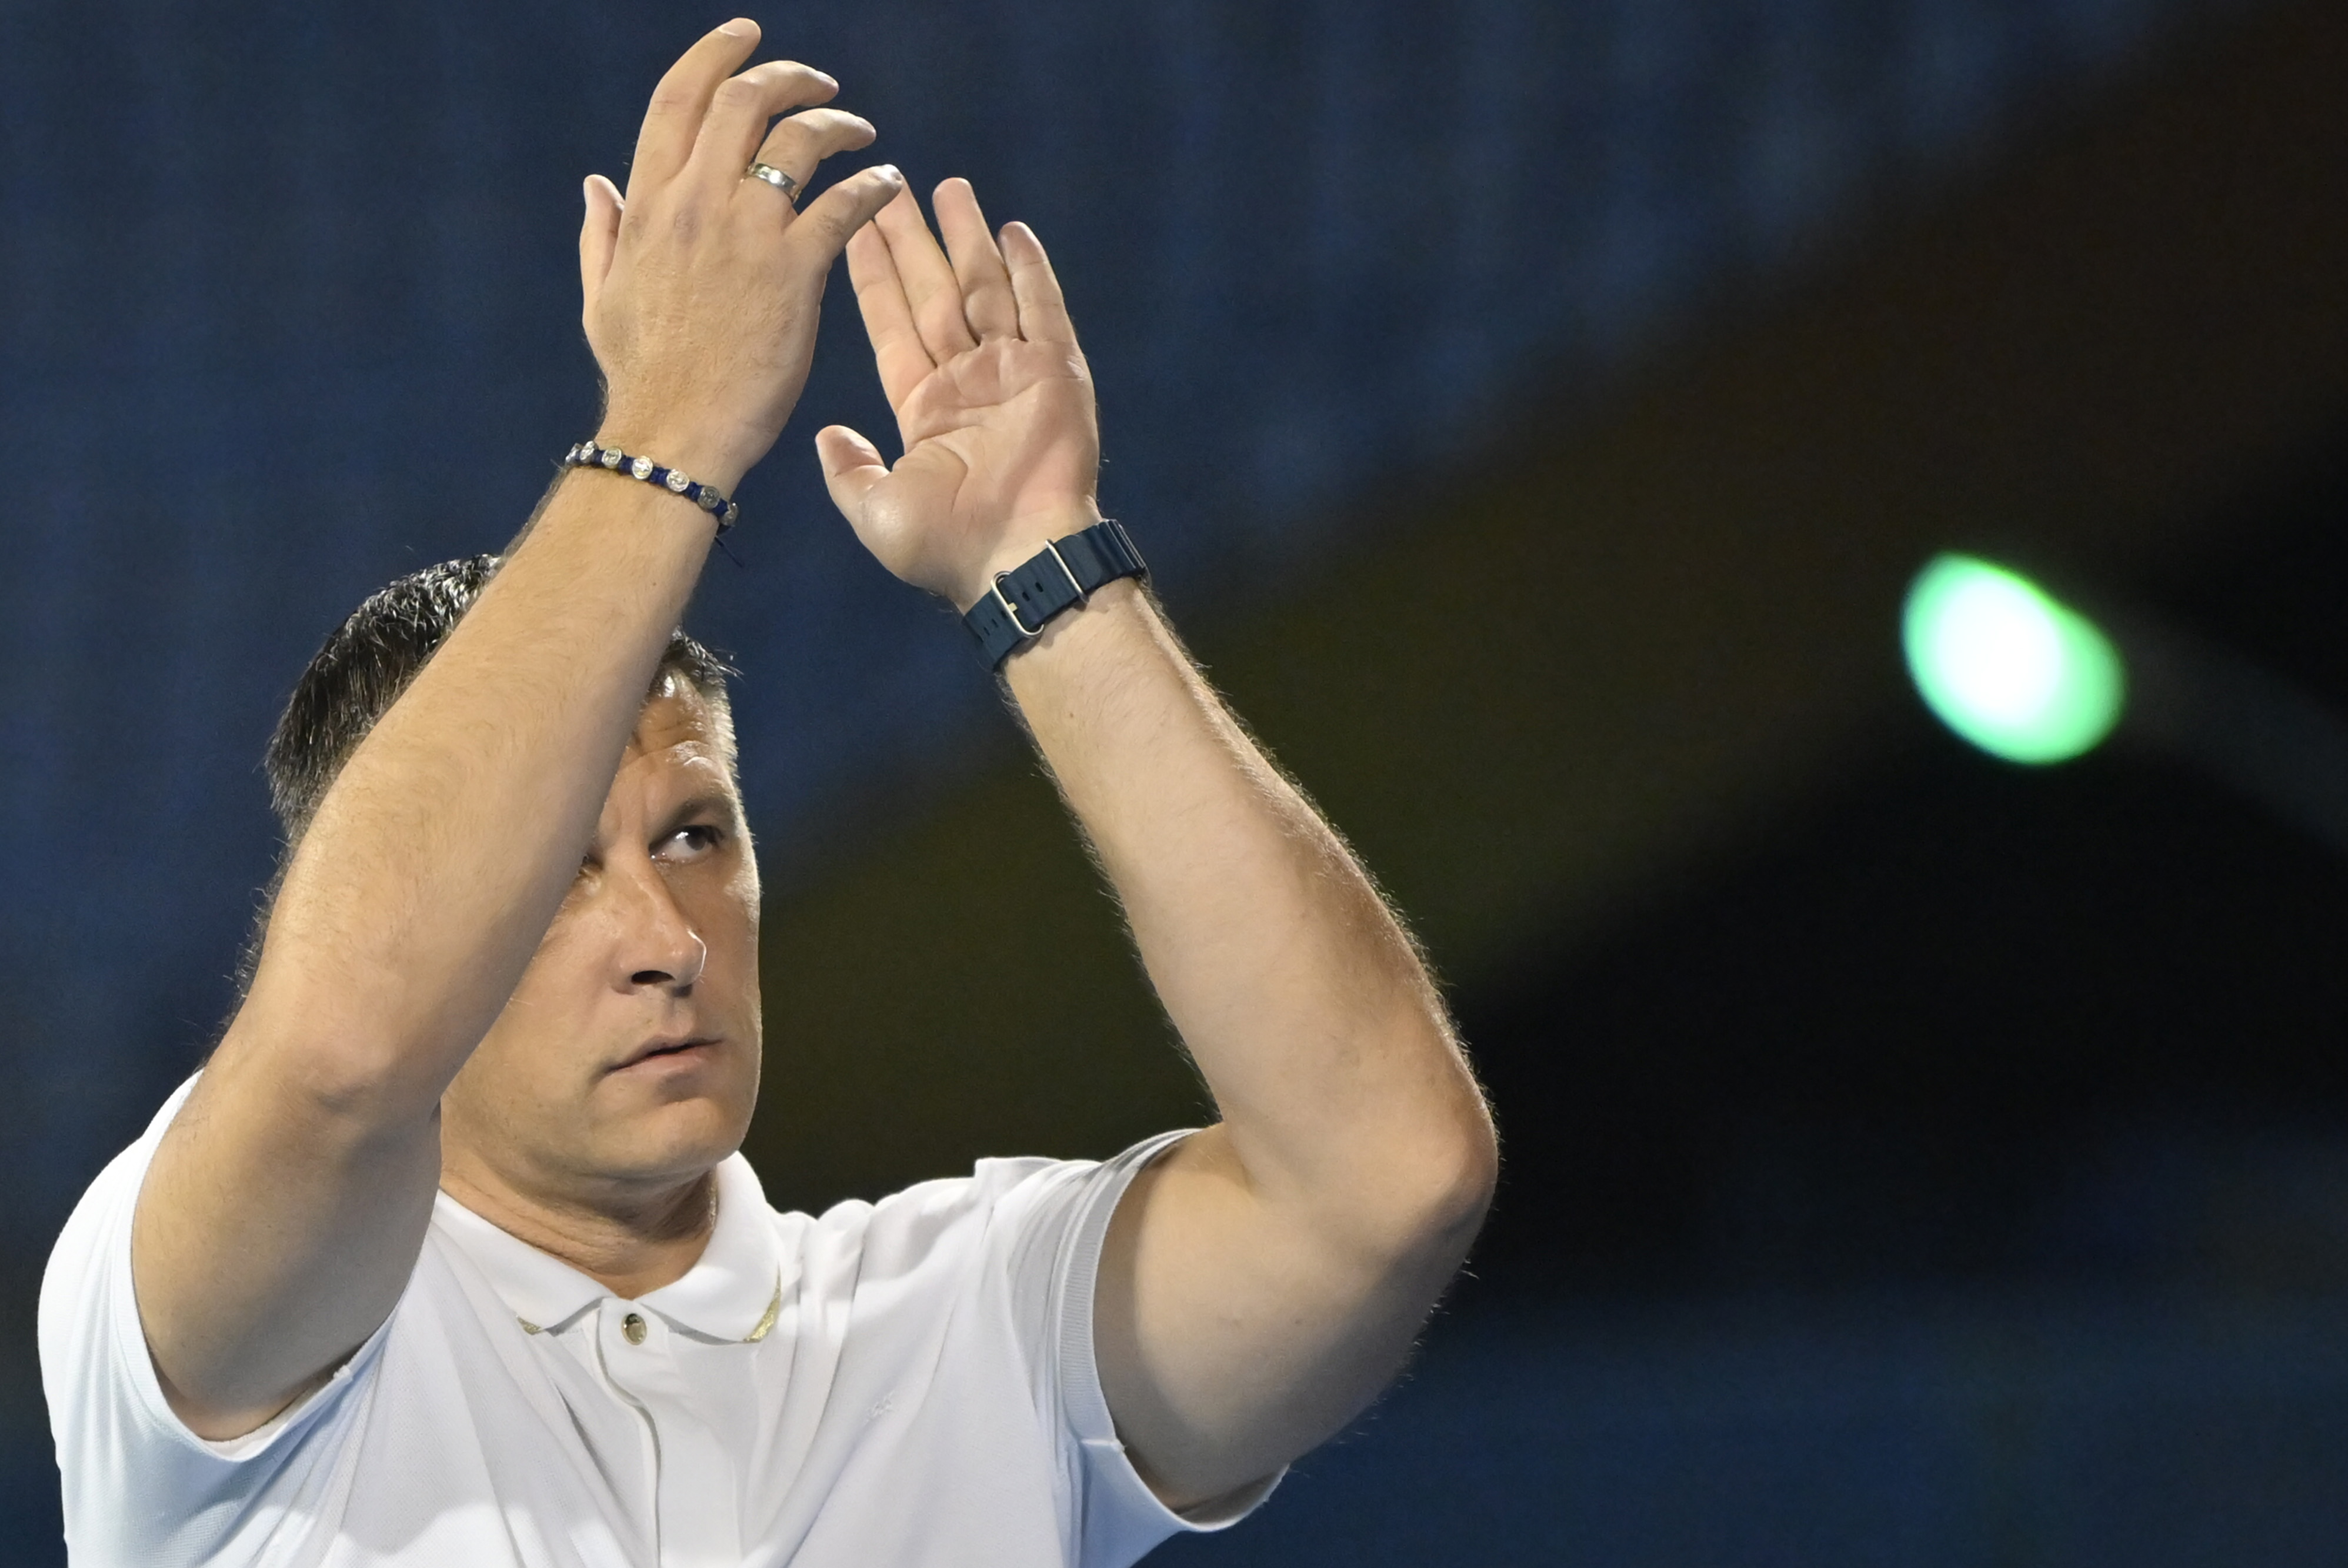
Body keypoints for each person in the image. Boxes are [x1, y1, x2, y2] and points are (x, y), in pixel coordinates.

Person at [39, 21, 1496, 1567]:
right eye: (556, 872)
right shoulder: (217, 1335)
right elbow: (343, 1051)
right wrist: (671, 425)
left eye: (693, 834)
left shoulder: (978, 1319)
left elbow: (1386, 1181)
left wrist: (1043, 566)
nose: (665, 940)